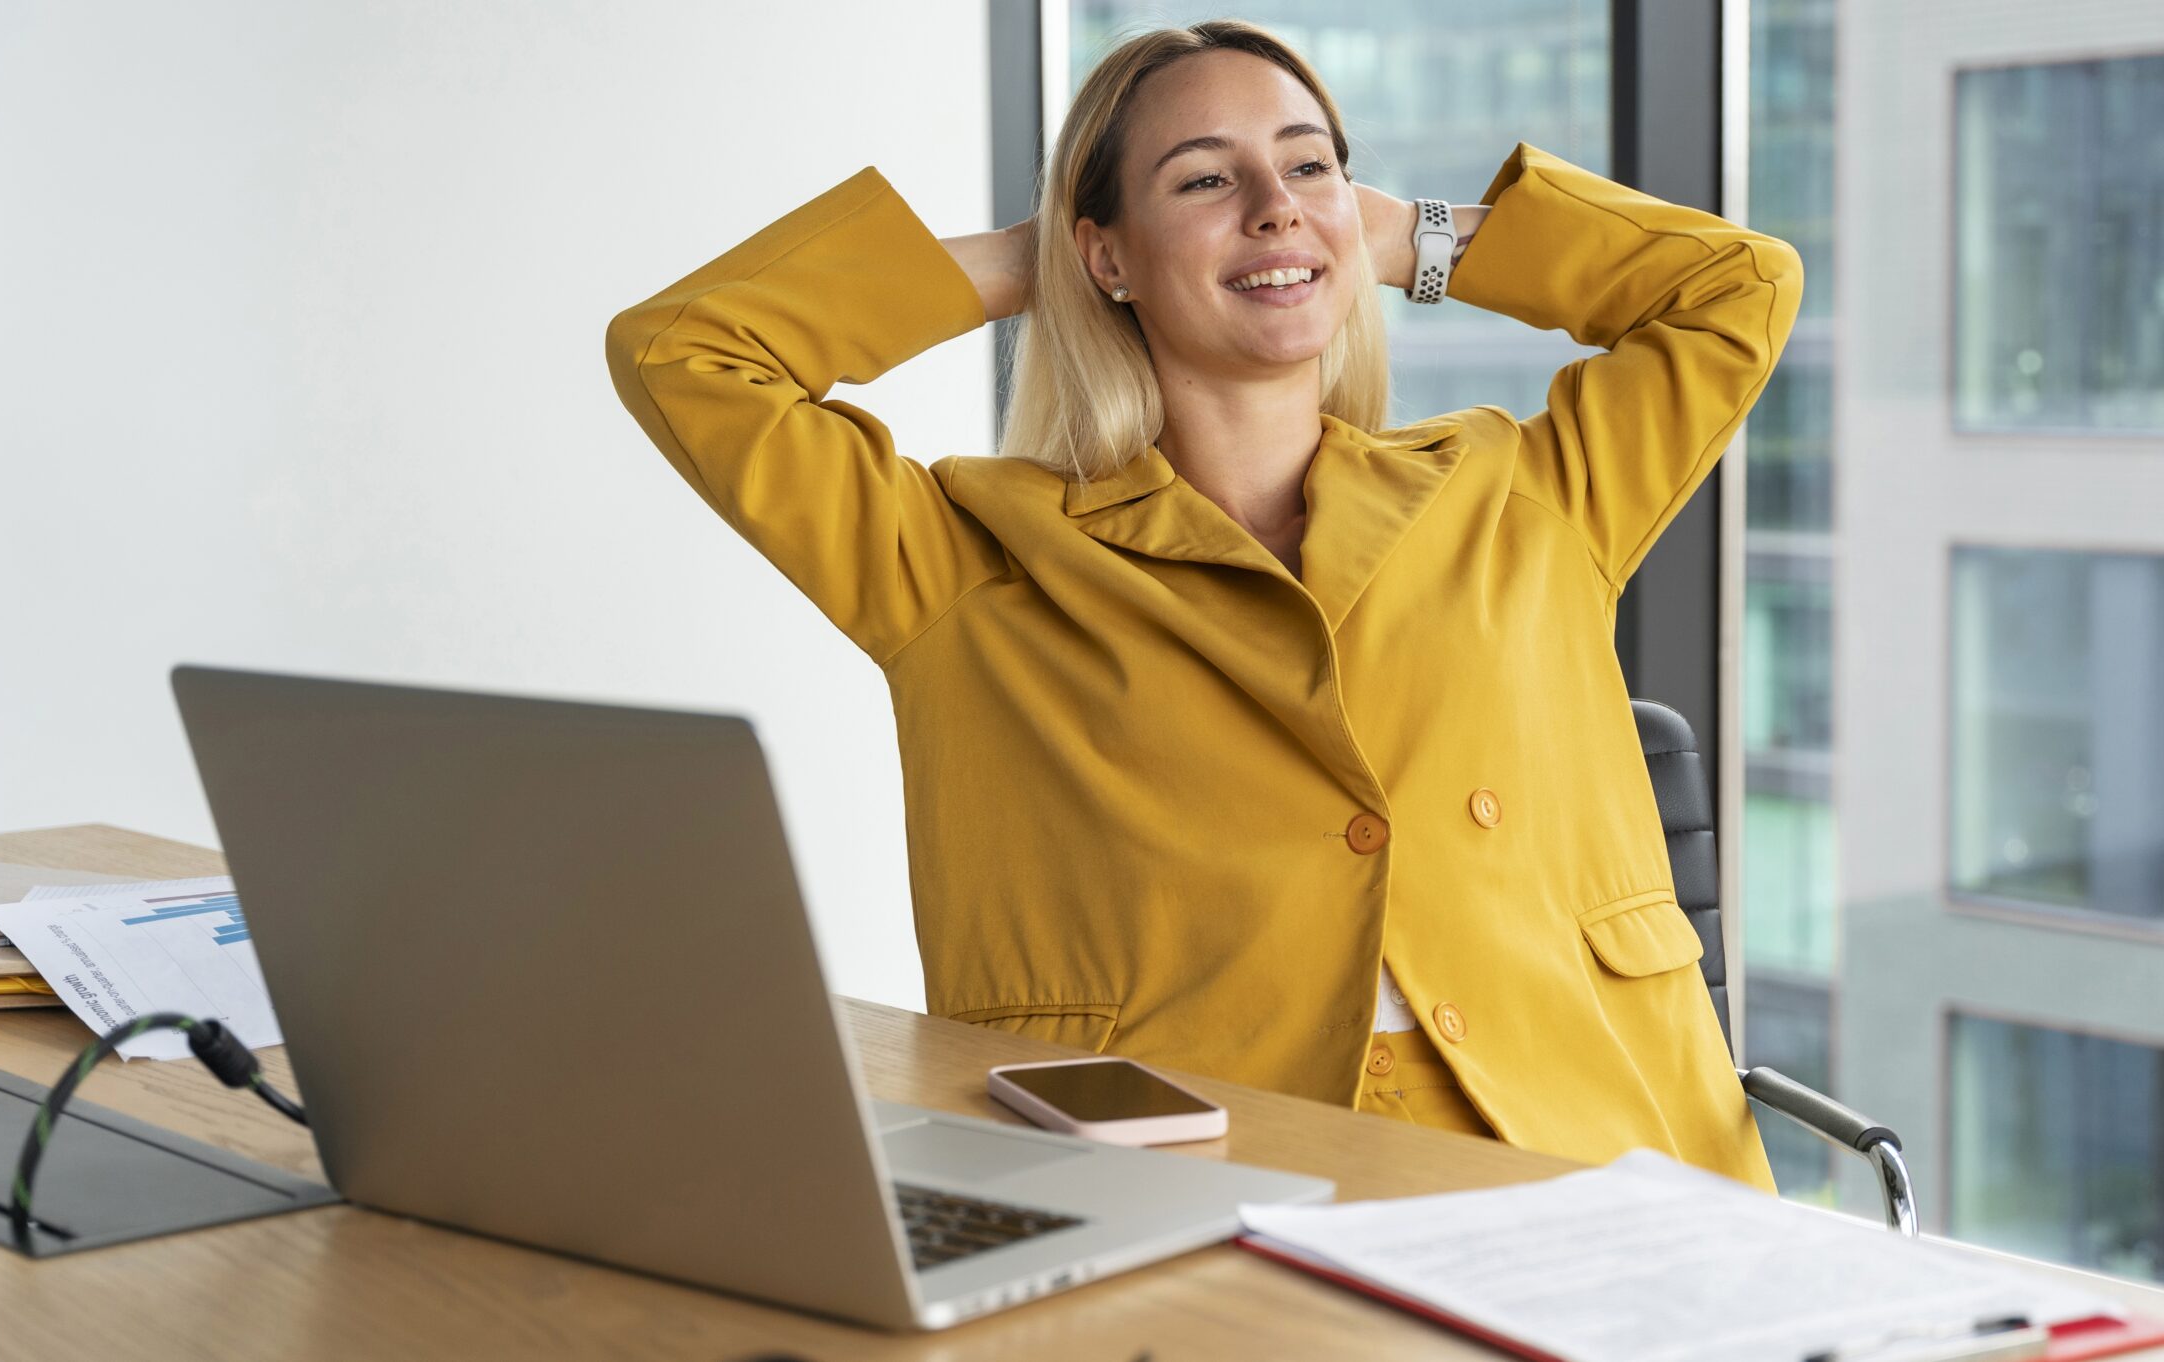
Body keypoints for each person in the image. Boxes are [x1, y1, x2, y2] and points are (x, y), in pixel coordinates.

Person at [604, 19, 1801, 1190]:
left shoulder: (1519, 491)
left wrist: (1390, 237)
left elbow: (1737, 289)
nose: (1273, 203)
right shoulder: (962, 559)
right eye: (1203, 179)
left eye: (1308, 162)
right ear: (1107, 255)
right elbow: (685, 353)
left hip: (1584, 1151)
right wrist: (1038, 262)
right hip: (1201, 1166)